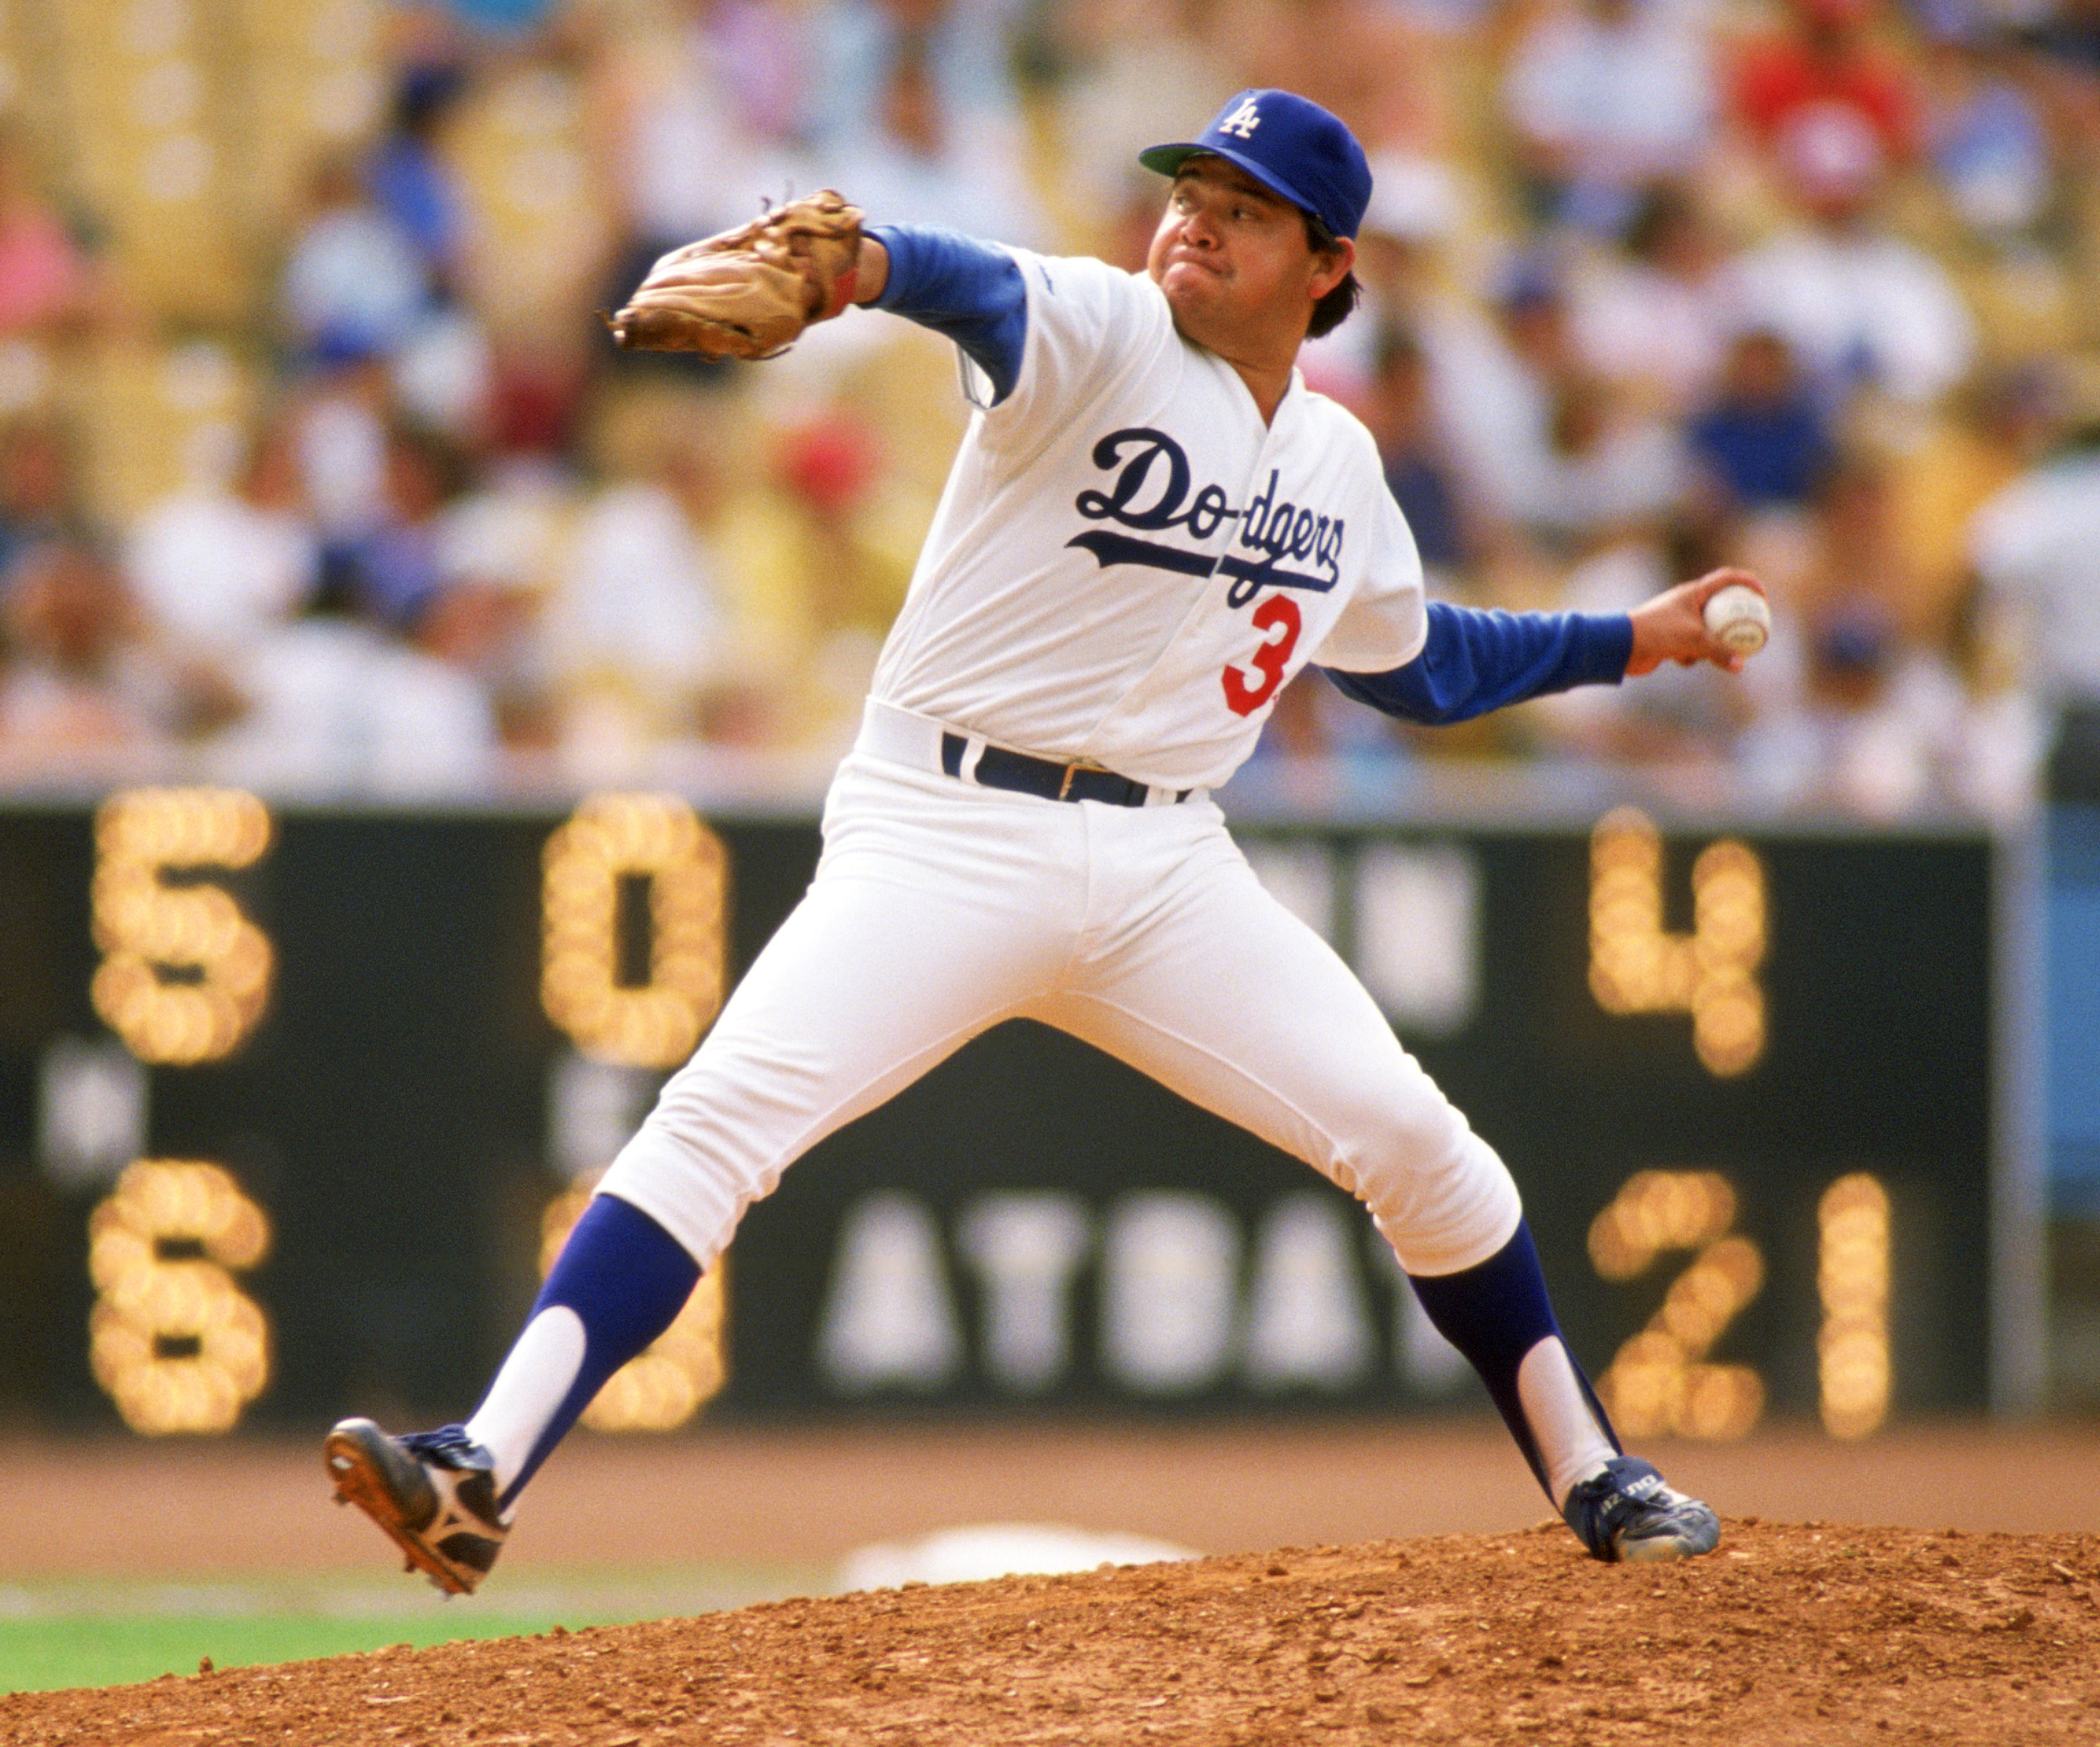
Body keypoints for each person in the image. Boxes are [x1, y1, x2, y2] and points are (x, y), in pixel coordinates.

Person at [325, 89, 1758, 1595]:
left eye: (1245, 206)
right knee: (717, 1119)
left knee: (1423, 1147)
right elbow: (965, 281)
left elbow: (1423, 664)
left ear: (1331, 263)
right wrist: (851, 260)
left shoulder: (1337, 464)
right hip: (943, 828)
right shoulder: (1107, 326)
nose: (1195, 217)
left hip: (1166, 870)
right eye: (1190, 188)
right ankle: (481, 1462)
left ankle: (1596, 1472)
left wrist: (1627, 640)